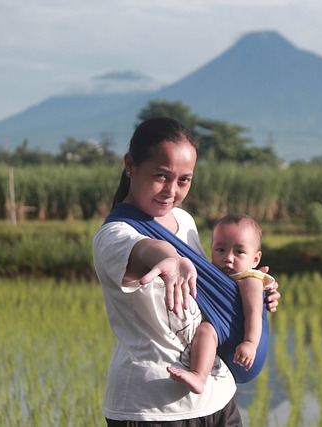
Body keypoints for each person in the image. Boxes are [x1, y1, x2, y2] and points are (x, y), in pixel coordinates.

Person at [92, 117, 280, 426]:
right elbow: (144, 249)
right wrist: (171, 257)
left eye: (184, 180)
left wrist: (253, 289)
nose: (171, 191)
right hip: (152, 408)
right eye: (161, 176)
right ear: (130, 165)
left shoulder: (184, 220)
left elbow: (208, 294)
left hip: (217, 396)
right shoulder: (113, 236)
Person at [166, 213, 275, 394]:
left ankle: (198, 374)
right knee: (206, 330)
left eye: (239, 251)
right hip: (224, 346)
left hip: (245, 350)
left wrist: (249, 342)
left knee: (208, 329)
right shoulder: (211, 275)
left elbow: (254, 313)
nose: (228, 258)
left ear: (255, 259)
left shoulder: (250, 279)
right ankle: (199, 376)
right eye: (220, 250)